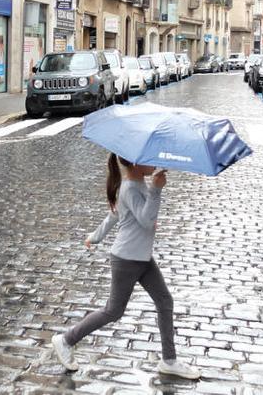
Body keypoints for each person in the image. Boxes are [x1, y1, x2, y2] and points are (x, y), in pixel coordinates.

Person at [52, 153, 200, 379]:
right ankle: (65, 340)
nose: (154, 164)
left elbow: (113, 216)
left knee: (164, 301)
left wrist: (94, 237)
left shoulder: (135, 183)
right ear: (135, 162)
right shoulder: (130, 188)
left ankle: (169, 360)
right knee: (113, 311)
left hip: (141, 258)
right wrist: (156, 189)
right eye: (150, 159)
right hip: (128, 260)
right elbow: (146, 219)